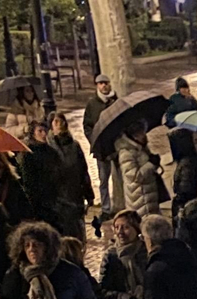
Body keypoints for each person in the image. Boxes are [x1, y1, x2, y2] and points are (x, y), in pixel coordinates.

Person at [97, 208, 147, 299]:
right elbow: (103, 289)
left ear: (137, 229)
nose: (120, 232)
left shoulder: (146, 251)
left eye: (125, 227)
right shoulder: (112, 255)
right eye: (116, 227)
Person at [84, 75, 124, 219]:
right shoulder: (92, 104)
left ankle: (123, 206)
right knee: (103, 179)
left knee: (121, 178)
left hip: (116, 147)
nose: (104, 86)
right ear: (97, 86)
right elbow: (87, 125)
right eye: (101, 83)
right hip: (101, 148)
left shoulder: (116, 101)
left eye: (106, 83)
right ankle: (106, 209)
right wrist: (93, 140)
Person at [116, 122, 168, 220]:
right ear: (134, 135)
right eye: (141, 133)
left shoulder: (141, 148)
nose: (144, 135)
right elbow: (135, 176)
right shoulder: (126, 153)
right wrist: (151, 164)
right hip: (139, 201)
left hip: (148, 198)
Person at [50, 111, 93, 226]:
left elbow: (83, 170)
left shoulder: (74, 145)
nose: (60, 124)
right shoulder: (49, 148)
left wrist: (89, 194)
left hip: (75, 194)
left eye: (62, 120)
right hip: (59, 198)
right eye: (56, 121)